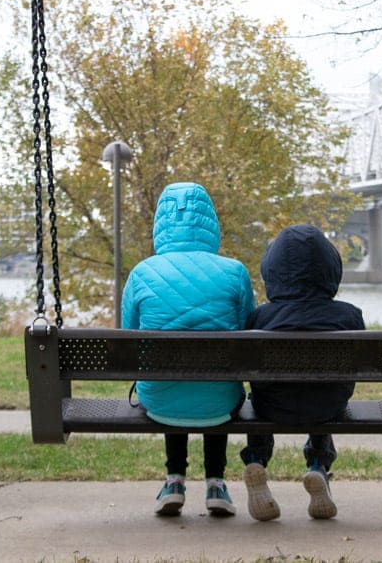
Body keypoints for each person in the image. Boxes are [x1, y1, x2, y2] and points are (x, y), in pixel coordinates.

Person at [122, 182, 255, 517]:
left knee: (169, 381)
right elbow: (247, 333)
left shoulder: (142, 273)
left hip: (159, 400)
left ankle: (174, 481)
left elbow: (127, 336)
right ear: (210, 222)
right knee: (218, 382)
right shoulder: (234, 272)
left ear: (160, 224)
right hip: (220, 403)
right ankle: (216, 484)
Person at [239, 223, 364, 521]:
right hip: (326, 405)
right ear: (330, 269)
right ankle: (318, 466)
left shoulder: (261, 316)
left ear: (273, 271)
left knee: (260, 396)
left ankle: (256, 459)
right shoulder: (348, 315)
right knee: (322, 394)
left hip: (272, 406)